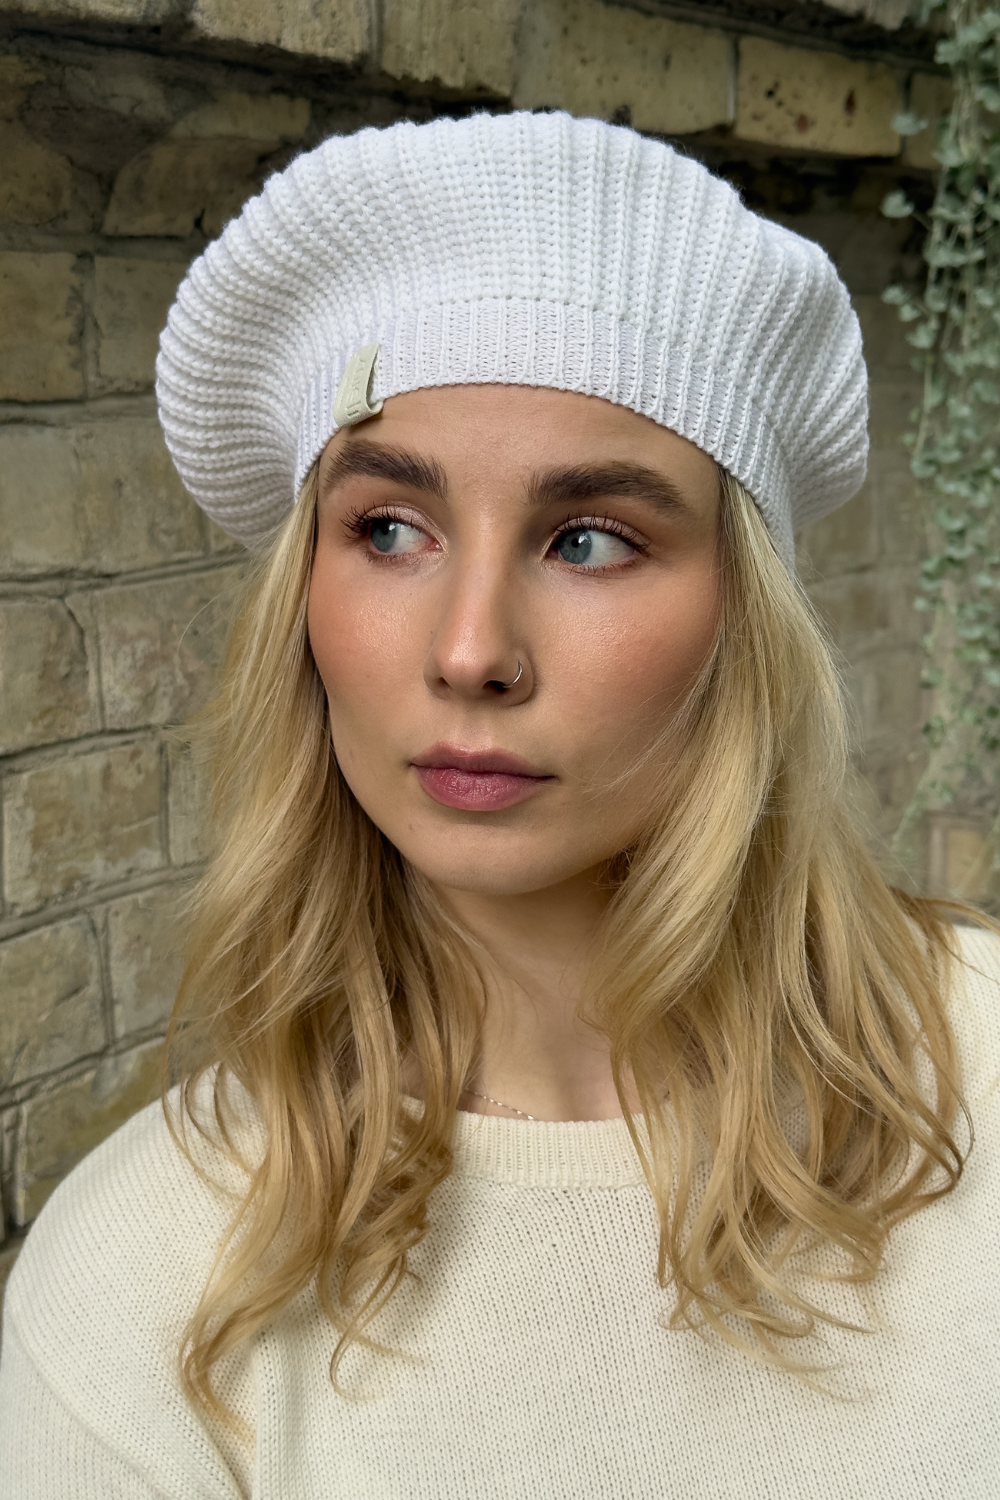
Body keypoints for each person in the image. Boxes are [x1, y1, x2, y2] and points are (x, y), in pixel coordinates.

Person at [1, 109, 998, 1500]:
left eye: (588, 540)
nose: (470, 651)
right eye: (388, 530)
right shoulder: (139, 1292)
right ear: (304, 601)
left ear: (743, 621)